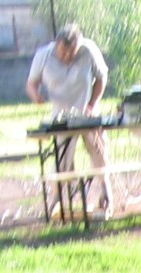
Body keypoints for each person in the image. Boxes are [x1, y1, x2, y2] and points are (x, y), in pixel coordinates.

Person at [26, 23, 110, 210]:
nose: (68, 57)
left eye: (72, 53)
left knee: (99, 151)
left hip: (87, 114)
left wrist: (92, 104)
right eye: (64, 52)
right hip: (61, 117)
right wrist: (36, 96)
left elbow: (102, 78)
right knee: (62, 160)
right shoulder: (43, 55)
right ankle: (57, 198)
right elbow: (31, 84)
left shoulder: (89, 50)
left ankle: (106, 192)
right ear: (57, 44)